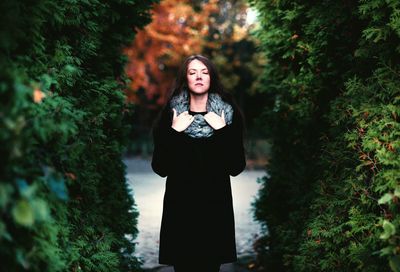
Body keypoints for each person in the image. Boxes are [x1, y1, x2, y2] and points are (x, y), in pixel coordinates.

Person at [151, 54, 247, 272]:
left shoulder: (226, 115)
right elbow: (160, 167)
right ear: (185, 78)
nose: (199, 77)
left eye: (204, 72)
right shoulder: (172, 115)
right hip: (180, 213)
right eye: (192, 72)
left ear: (212, 77)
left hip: (214, 212)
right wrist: (175, 132)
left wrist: (222, 131)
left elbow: (236, 167)